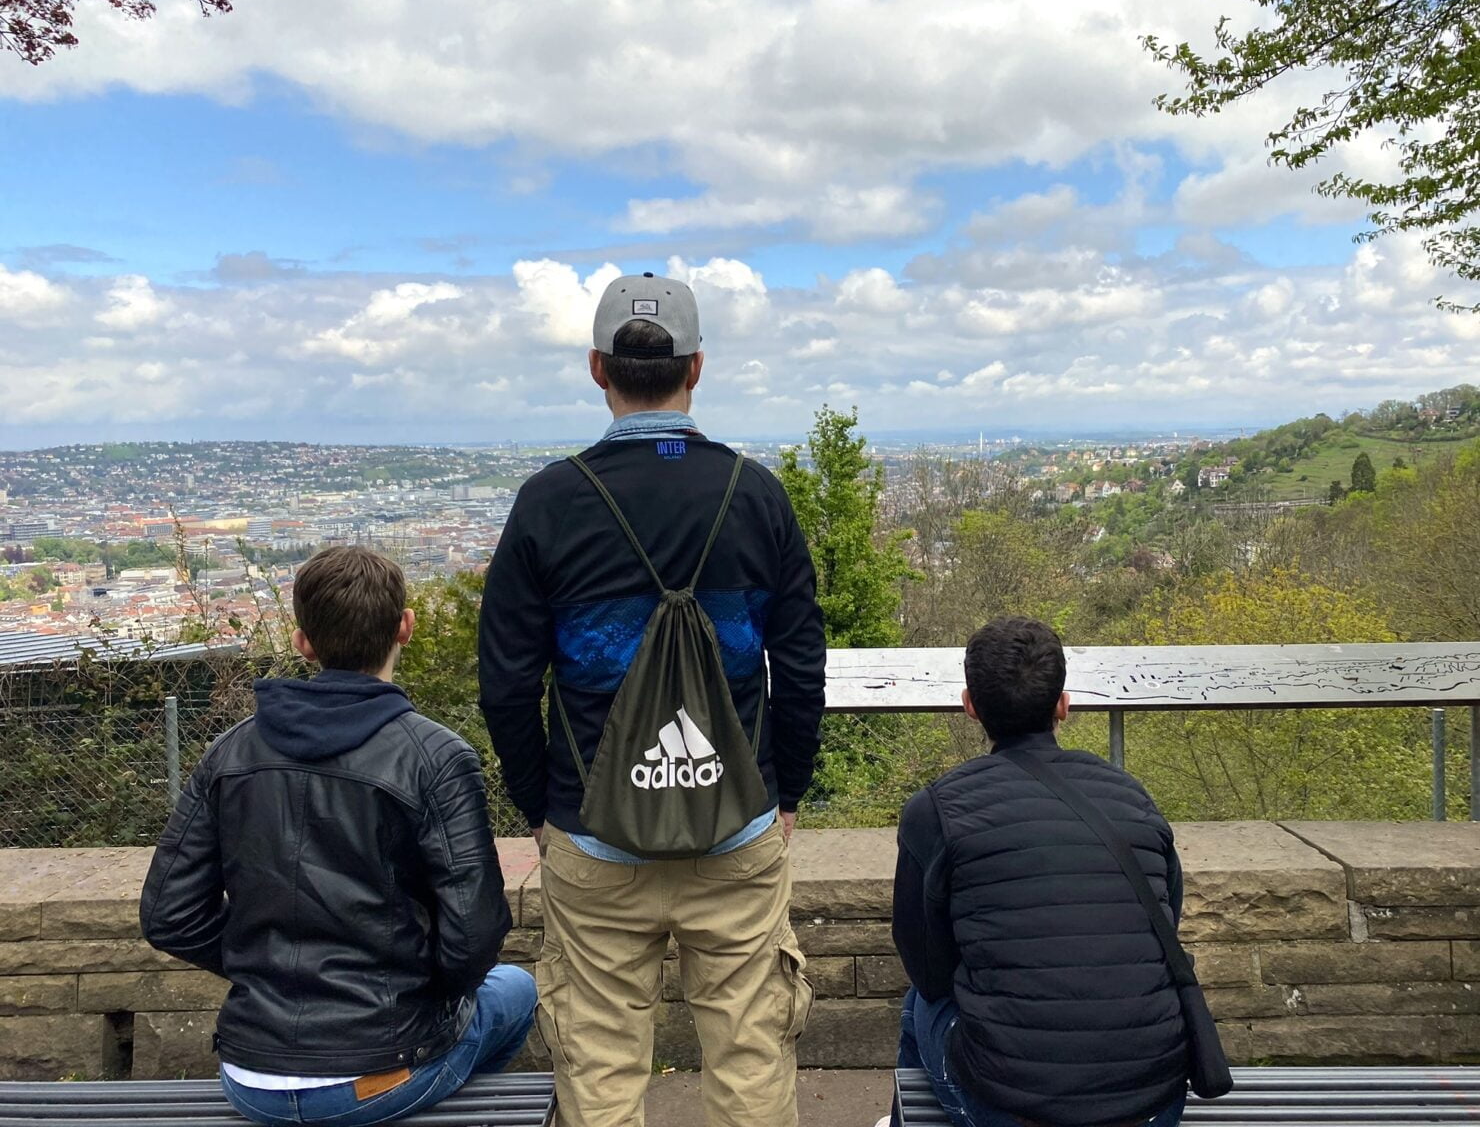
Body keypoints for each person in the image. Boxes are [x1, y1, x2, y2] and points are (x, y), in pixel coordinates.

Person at [479, 271, 827, 1127]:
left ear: (598, 369)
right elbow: (802, 661)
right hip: (735, 822)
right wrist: (788, 793)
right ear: (697, 367)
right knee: (750, 1058)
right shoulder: (758, 495)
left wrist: (540, 808)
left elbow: (507, 682)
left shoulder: (550, 503)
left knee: (598, 1068)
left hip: (594, 834)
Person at [140, 545, 536, 1127]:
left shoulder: (230, 753)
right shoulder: (435, 756)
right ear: (405, 627)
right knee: (516, 990)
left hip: (252, 1076)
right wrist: (420, 989)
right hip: (383, 1071)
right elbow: (473, 932)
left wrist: (265, 969)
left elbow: (169, 916)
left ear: (303, 642)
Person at [888, 617, 1187, 1127]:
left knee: (921, 1005)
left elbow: (929, 968)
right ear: (1063, 705)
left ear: (970, 706)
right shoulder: (1131, 796)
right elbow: (1165, 926)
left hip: (1011, 1106)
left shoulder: (936, 809)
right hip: (1153, 1098)